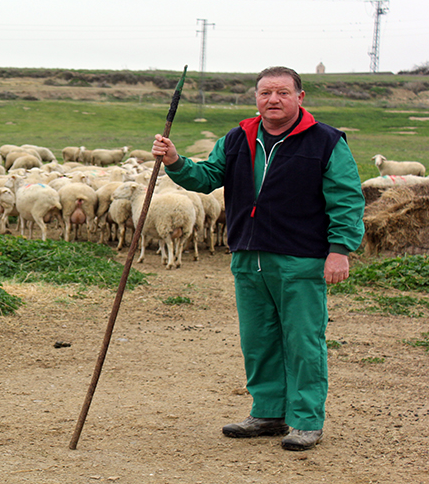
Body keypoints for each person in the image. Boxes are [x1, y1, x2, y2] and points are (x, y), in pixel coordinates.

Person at [151, 66, 365, 451]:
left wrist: (340, 249)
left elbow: (347, 199)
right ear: (256, 98)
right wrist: (175, 161)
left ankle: (305, 420)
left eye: (283, 92)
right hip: (249, 256)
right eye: (266, 92)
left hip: (300, 258)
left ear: (300, 98)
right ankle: (268, 412)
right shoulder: (237, 138)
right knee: (259, 339)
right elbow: (206, 178)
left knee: (302, 340)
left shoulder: (326, 142)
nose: (273, 99)